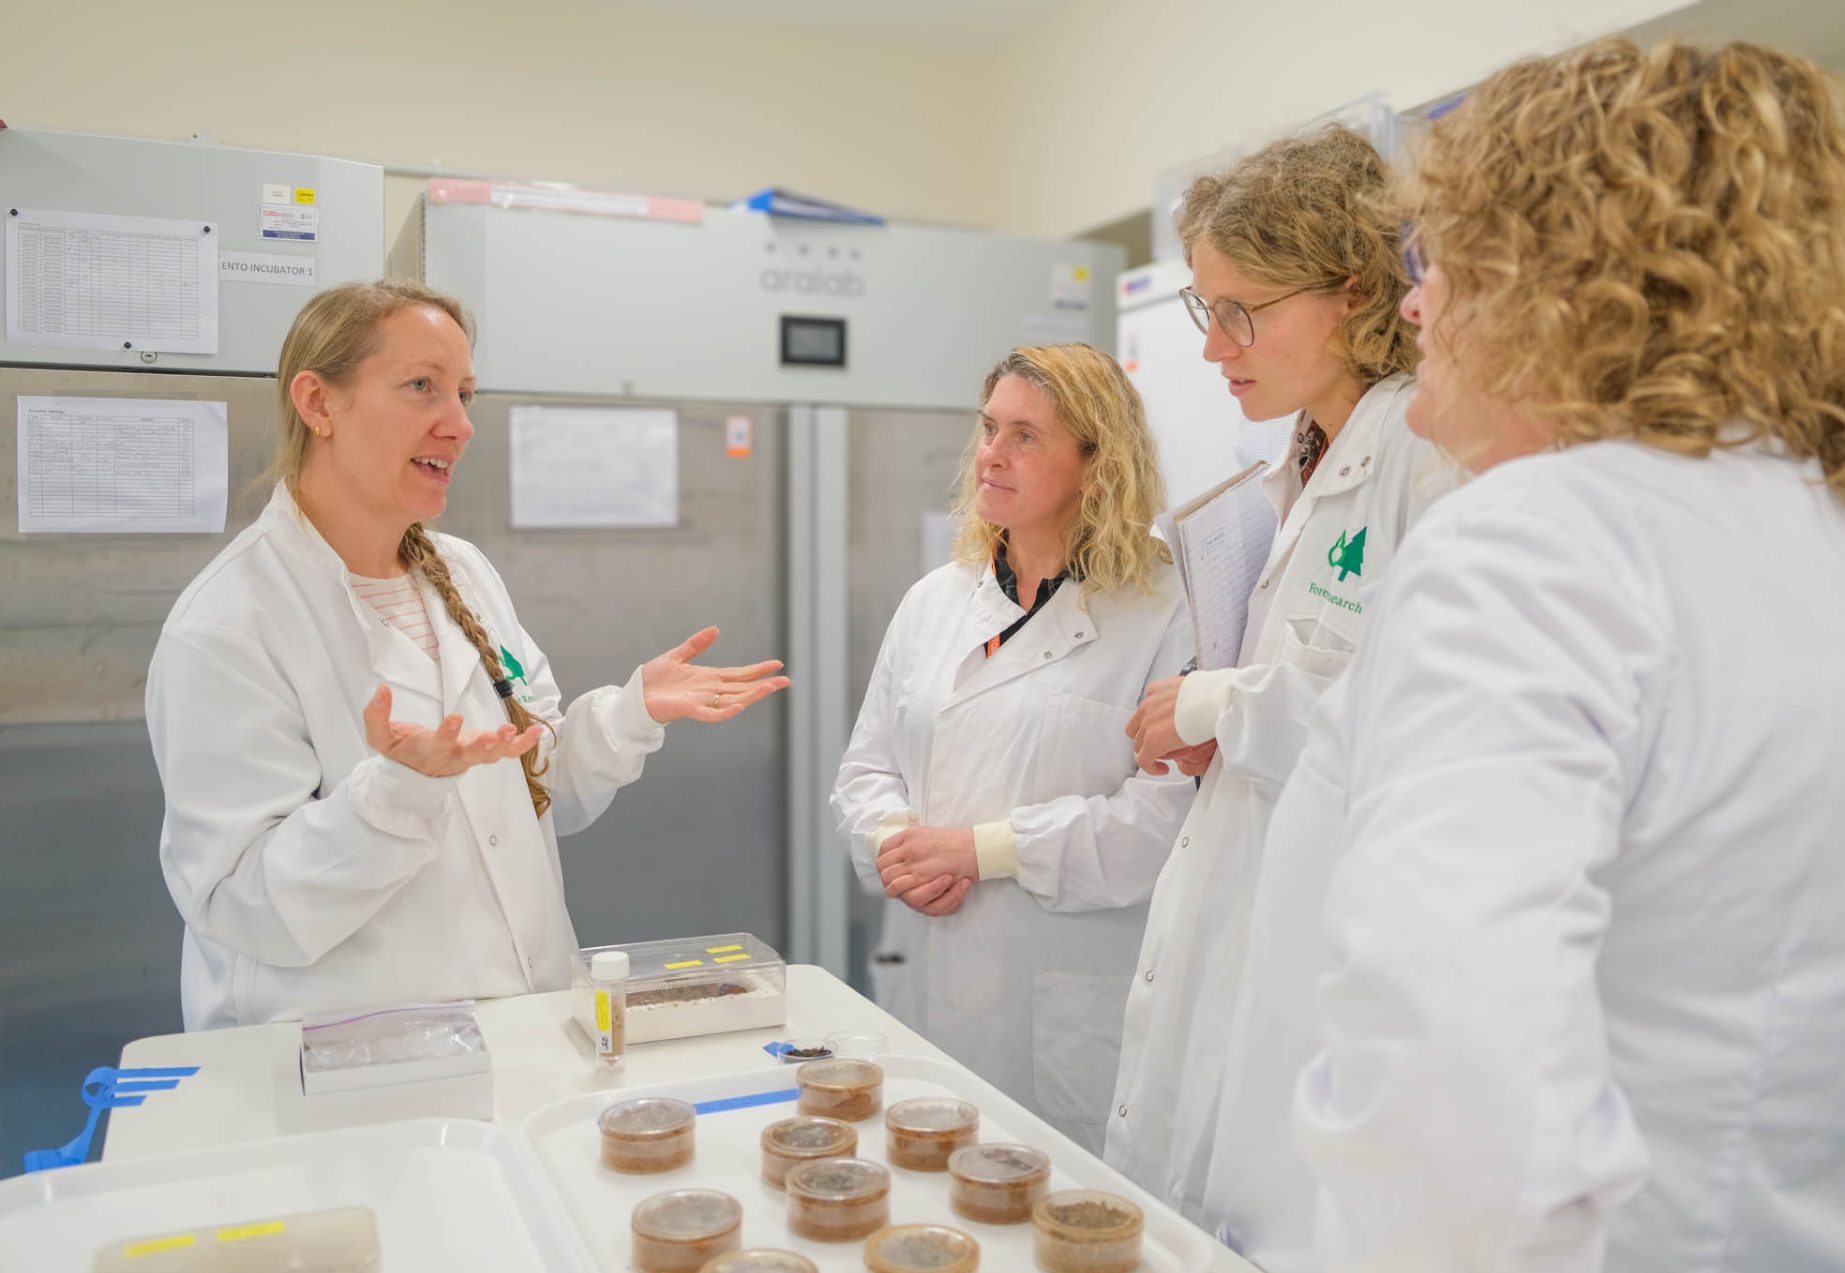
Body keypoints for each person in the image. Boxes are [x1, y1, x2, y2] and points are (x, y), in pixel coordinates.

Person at [1207, 40, 1845, 1273]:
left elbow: (1456, 1109)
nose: (1414, 304)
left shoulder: (1543, 543)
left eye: (1441, 261)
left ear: (1574, 281)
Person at [146, 281, 788, 1030]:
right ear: (319, 403)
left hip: (523, 1032)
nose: (459, 425)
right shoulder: (229, 626)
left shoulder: (463, 574)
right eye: (422, 387)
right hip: (347, 1070)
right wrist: (397, 793)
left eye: (465, 394)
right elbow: (241, 905)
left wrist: (630, 713)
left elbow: (534, 795)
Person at [1103, 125, 1454, 1215]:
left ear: (1353, 292)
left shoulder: (1421, 455)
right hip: (1236, 919)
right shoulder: (1295, 462)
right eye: (1208, 313)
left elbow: (1423, 719)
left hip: (1327, 968)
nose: (1218, 346)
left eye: (1241, 310)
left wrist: (1218, 702)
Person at [830, 343, 1196, 1151]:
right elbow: (867, 768)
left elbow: (1162, 827)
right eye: (990, 428)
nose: (991, 454)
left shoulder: (1165, 609)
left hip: (1072, 1004)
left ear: (1098, 465)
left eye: (1026, 436)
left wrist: (980, 851)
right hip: (929, 972)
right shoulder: (936, 599)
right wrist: (897, 844)